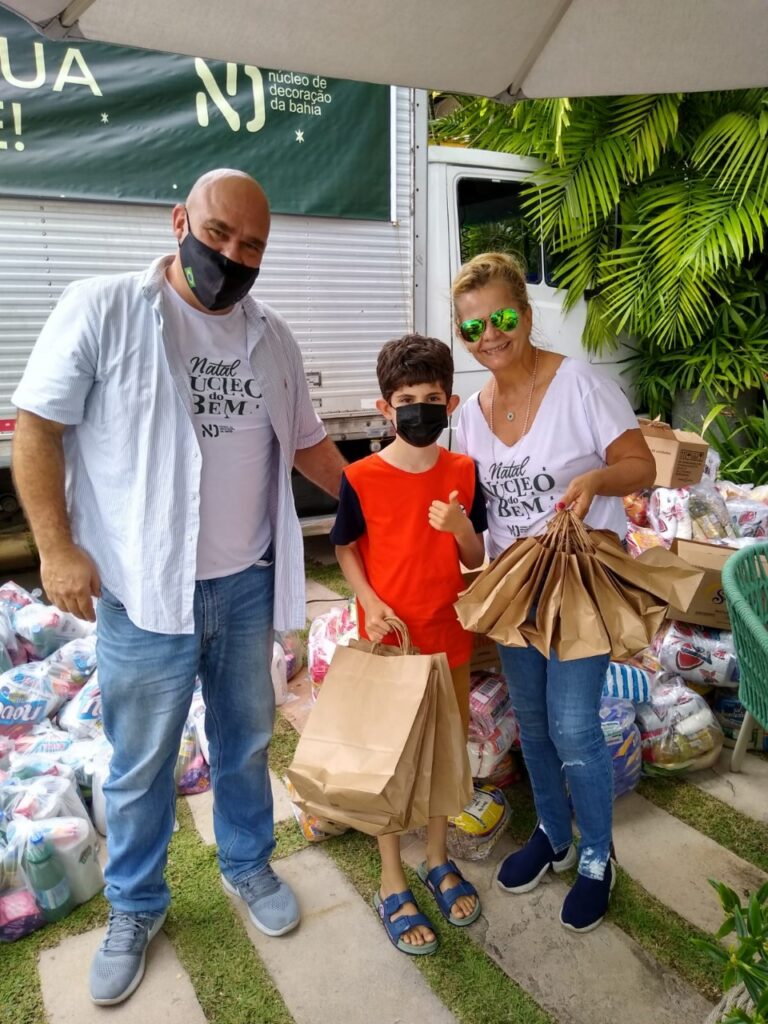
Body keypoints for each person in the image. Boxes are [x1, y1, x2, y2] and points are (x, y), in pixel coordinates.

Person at [11, 169, 346, 1004]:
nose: (231, 256)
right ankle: (135, 905)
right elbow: (38, 429)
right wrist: (56, 547)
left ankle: (247, 863)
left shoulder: (272, 337)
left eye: (252, 246)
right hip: (142, 593)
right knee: (139, 764)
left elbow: (308, 444)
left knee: (246, 742)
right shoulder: (105, 310)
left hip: (245, 584)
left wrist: (386, 505)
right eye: (218, 234)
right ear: (178, 223)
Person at [451, 252, 656, 933]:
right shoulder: (471, 414)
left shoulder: (580, 386)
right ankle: (553, 833)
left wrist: (596, 481)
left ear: (525, 314)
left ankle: (597, 856)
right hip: (515, 586)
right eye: (473, 327)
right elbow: (478, 507)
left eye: (502, 319)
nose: (490, 336)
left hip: (578, 584)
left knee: (572, 726)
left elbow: (641, 464)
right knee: (533, 723)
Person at [330, 333, 487, 955]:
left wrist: (460, 528)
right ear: (384, 407)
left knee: (446, 752)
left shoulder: (463, 473)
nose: (419, 409)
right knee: (387, 760)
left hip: (449, 636)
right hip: (390, 641)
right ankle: (392, 877)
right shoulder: (361, 478)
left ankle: (438, 858)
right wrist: (368, 601)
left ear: (450, 404)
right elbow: (345, 546)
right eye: (405, 400)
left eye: (431, 398)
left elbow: (474, 557)